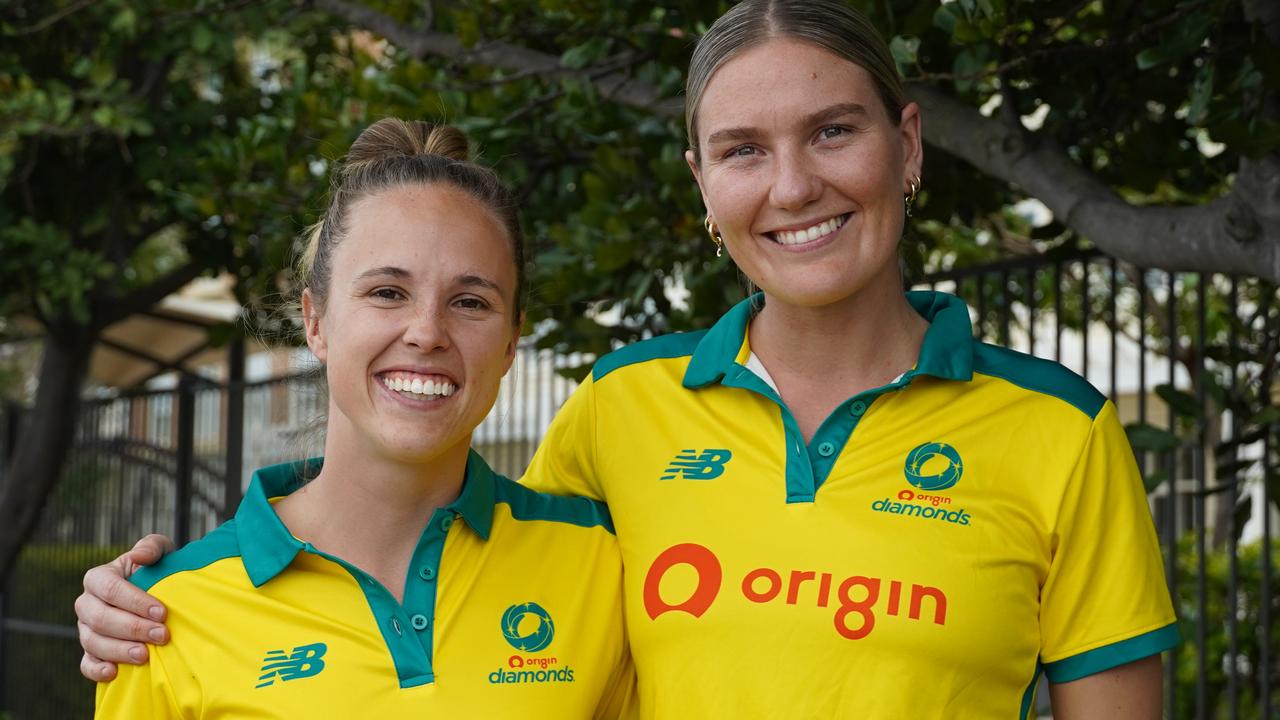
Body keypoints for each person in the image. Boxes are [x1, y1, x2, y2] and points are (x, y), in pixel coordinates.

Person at [79, 2, 1178, 717]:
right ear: (702, 183)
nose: (791, 187)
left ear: (907, 145)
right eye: (743, 149)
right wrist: (157, 603)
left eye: (832, 132)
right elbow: (451, 573)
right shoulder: (616, 409)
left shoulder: (1057, 431)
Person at [92, 118, 633, 718]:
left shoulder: (601, 561)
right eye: (386, 292)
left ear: (511, 342)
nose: (426, 333)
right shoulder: (164, 615)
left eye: (471, 302)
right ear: (316, 321)